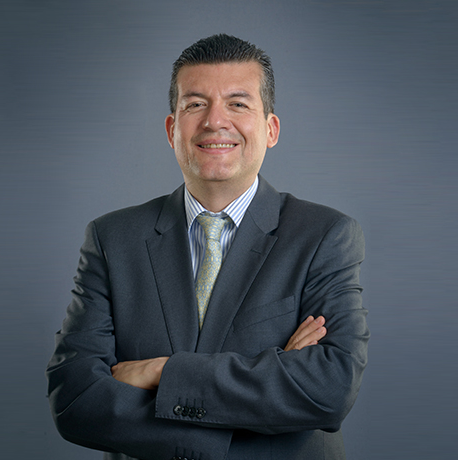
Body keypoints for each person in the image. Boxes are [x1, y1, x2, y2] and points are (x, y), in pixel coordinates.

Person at [47, 34, 369, 460]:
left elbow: (328, 389)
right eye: (195, 104)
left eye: (238, 104)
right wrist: (269, 383)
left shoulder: (325, 235)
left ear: (271, 129)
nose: (215, 121)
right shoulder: (112, 239)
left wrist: (163, 371)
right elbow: (74, 399)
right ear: (172, 129)